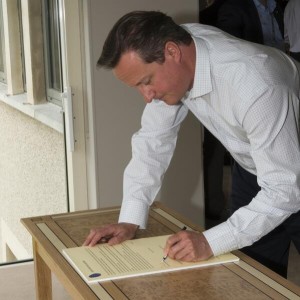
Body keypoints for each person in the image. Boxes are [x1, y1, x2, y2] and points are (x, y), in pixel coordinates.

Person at [84, 11, 300, 278]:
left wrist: (210, 241)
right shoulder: (178, 46)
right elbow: (153, 141)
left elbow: (285, 188)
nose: (147, 97)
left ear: (173, 52)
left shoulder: (256, 84)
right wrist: (130, 219)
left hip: (289, 169)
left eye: (146, 82)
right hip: (254, 165)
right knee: (249, 276)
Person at [200, 0, 287, 227]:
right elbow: (232, 47)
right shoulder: (234, 7)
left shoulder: (280, 6)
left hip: (280, 88)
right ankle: (216, 208)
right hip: (248, 91)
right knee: (223, 151)